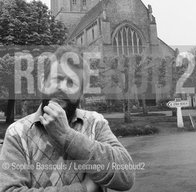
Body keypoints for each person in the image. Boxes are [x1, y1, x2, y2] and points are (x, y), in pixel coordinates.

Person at [0, 46, 135, 192]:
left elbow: (126, 176)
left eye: (71, 82)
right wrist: (83, 189)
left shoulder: (95, 123)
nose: (62, 87)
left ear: (81, 94)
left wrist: (66, 135)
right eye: (57, 79)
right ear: (42, 84)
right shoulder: (17, 133)